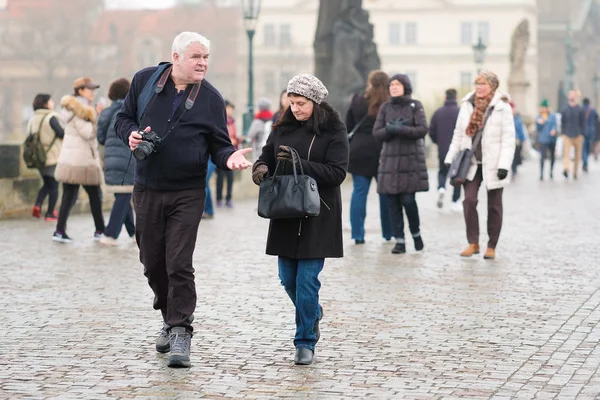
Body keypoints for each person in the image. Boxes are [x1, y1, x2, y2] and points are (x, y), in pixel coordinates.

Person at [115, 32, 252, 368]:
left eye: (206, 57)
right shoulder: (145, 81)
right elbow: (123, 118)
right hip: (147, 187)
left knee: (178, 262)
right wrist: (129, 134)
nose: (203, 63)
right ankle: (167, 314)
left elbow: (220, 145)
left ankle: (180, 331)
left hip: (188, 192)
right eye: (196, 57)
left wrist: (230, 157)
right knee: (152, 262)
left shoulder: (211, 99)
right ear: (175, 57)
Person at [251, 74, 348, 366]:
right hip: (285, 212)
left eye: (301, 103)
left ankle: (304, 341)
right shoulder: (281, 127)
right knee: (287, 278)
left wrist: (299, 163)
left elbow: (338, 173)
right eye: (292, 102)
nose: (296, 108)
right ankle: (313, 312)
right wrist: (260, 168)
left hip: (319, 213)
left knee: (307, 281)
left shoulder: (334, 130)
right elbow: (265, 156)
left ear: (315, 102)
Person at [444, 71, 515, 260]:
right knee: (469, 201)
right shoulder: (467, 105)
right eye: (477, 83)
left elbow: (508, 139)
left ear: (492, 86)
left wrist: (504, 165)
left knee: (494, 206)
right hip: (471, 162)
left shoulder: (502, 107)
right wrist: (450, 158)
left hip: (494, 162)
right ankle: (473, 242)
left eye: (483, 84)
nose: (479, 87)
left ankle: (491, 245)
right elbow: (458, 135)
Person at [373, 74, 429, 255]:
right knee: (392, 202)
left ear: (406, 86)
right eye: (391, 85)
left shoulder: (415, 105)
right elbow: (377, 133)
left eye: (397, 84)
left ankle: (416, 233)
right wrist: (389, 129)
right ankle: (400, 240)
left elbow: (422, 129)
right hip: (389, 162)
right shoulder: (385, 107)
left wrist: (401, 129)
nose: (394, 87)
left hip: (410, 162)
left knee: (408, 201)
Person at [52, 78, 105, 243]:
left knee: (69, 196)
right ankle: (100, 230)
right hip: (83, 162)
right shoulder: (82, 111)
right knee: (95, 195)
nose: (92, 92)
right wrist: (98, 116)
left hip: (71, 160)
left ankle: (59, 231)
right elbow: (88, 133)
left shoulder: (72, 109)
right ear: (80, 90)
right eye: (89, 89)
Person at [346, 70, 392, 244]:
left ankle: (358, 234)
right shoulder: (388, 104)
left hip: (359, 150)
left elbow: (349, 125)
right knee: (385, 194)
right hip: (382, 151)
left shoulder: (357, 101)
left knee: (359, 192)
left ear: (369, 83)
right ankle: (388, 233)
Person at [97, 78, 136, 246]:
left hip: (110, 158)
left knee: (123, 194)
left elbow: (100, 137)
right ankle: (110, 234)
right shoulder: (131, 111)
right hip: (126, 157)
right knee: (124, 195)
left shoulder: (106, 112)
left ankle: (134, 232)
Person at [29, 94, 64, 221]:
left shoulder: (33, 118)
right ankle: (50, 213)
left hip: (38, 158)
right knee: (54, 186)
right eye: (50, 101)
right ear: (45, 103)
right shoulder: (51, 117)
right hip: (52, 157)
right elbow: (61, 133)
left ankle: (38, 205)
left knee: (47, 183)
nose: (53, 103)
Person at [430, 88, 461, 212]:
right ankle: (455, 201)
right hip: (458, 150)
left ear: (445, 97)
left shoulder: (438, 112)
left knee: (442, 171)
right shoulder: (460, 112)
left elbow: (431, 130)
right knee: (457, 174)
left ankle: (441, 188)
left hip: (442, 148)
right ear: (456, 97)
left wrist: (438, 142)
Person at [216, 100, 238, 208]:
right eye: (228, 108)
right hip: (221, 153)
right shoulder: (220, 120)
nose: (230, 110)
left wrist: (236, 140)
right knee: (220, 178)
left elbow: (235, 135)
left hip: (232, 153)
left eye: (231, 108)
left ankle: (228, 198)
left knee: (230, 178)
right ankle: (219, 199)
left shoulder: (232, 121)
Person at [559, 90, 585, 179]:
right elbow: (562, 122)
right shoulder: (564, 109)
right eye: (570, 95)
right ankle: (566, 169)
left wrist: (582, 134)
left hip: (578, 134)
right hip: (567, 134)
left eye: (573, 95)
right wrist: (562, 133)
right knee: (566, 153)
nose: (572, 97)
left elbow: (583, 122)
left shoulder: (580, 109)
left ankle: (575, 172)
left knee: (578, 155)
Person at [536, 99, 558, 180]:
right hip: (543, 139)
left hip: (551, 139)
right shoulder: (539, 117)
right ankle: (541, 173)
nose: (544, 109)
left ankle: (551, 171)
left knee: (552, 156)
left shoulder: (552, 116)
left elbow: (555, 125)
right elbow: (538, 129)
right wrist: (539, 123)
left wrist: (554, 130)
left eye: (545, 107)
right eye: (543, 107)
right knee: (542, 157)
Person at [247, 98, 274, 162]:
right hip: (271, 148)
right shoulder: (273, 119)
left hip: (259, 150)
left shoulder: (257, 121)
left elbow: (250, 135)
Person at [510, 102, 526, 176]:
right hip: (510, 139)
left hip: (517, 139)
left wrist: (523, 139)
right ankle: (512, 167)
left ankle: (514, 168)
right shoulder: (507, 117)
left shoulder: (517, 118)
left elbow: (520, 129)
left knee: (516, 154)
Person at [581, 97, 598, 172]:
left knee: (584, 148)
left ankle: (585, 163)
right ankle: (585, 162)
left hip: (583, 131)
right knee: (587, 148)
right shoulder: (592, 110)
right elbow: (596, 118)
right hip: (591, 132)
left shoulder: (581, 110)